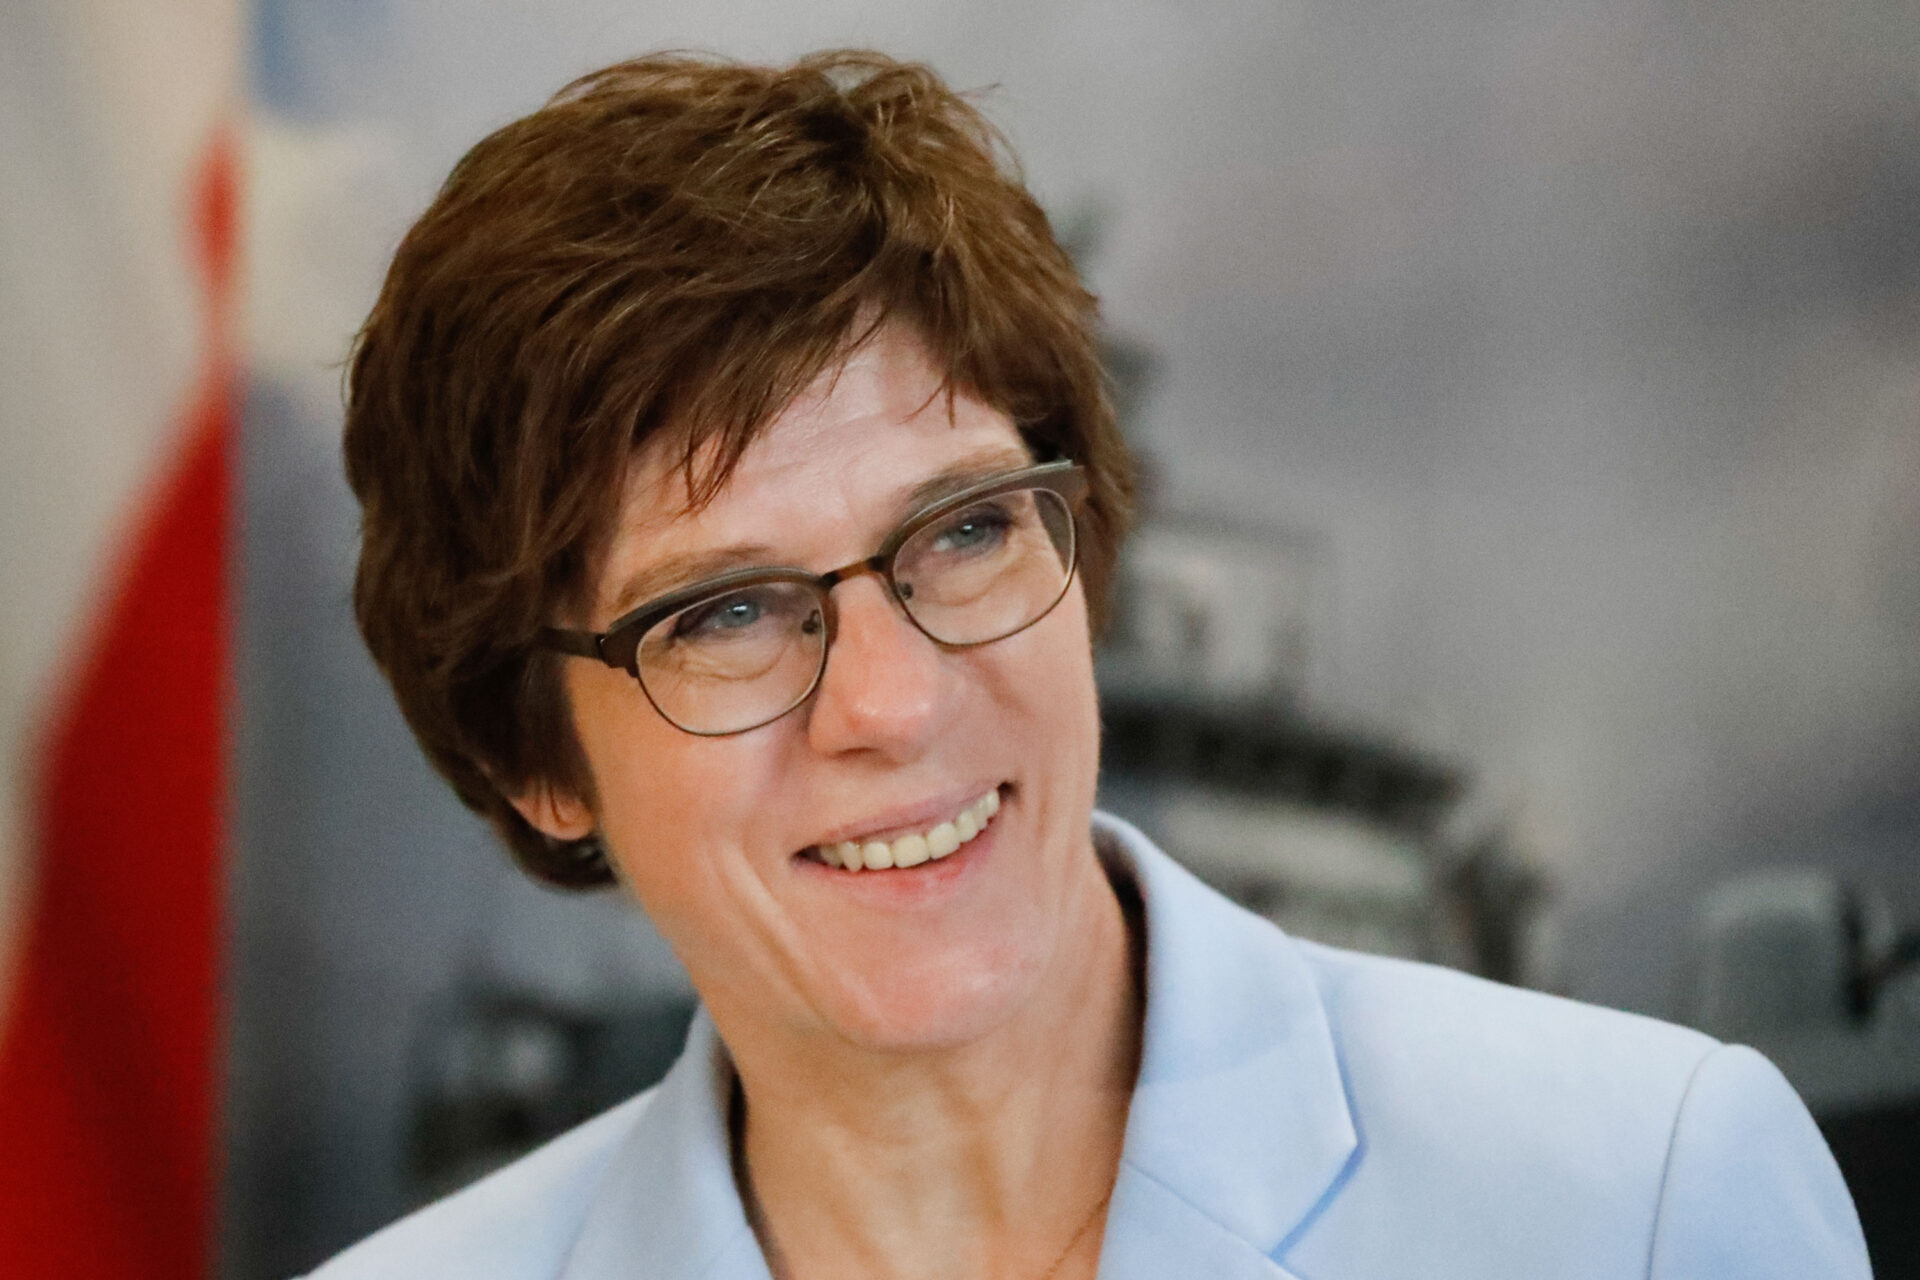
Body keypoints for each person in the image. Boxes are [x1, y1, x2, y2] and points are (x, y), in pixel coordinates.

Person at [313, 50, 1869, 1280]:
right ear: (534, 757)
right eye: (725, 614)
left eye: (966, 531)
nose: (897, 700)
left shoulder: (1643, 1203)